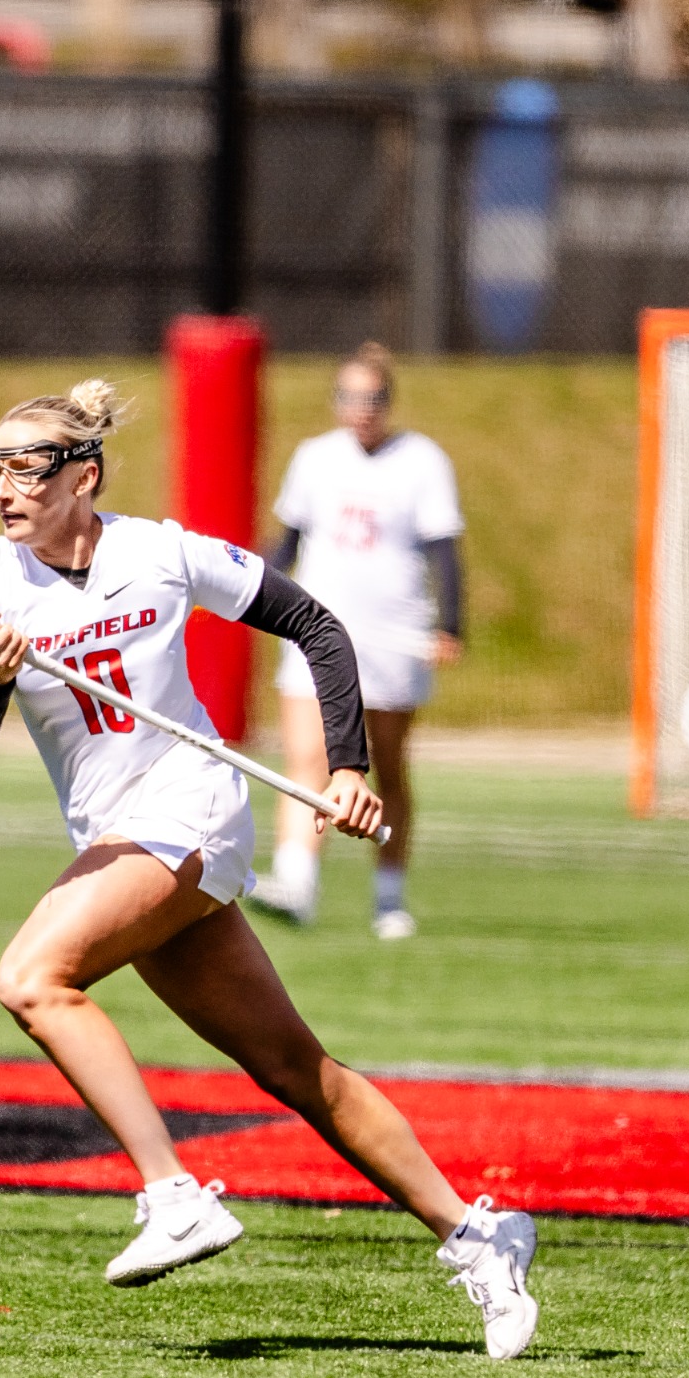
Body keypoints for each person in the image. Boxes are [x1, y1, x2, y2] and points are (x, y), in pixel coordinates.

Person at [0, 379, 539, 1358]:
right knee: (298, 1070)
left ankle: (172, 1193)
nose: (5, 487)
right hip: (120, 837)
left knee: (32, 978)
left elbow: (317, 626)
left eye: (28, 468)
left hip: (191, 813)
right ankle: (477, 1233)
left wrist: (347, 766)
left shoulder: (160, 552)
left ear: (84, 476)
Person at [250, 341, 463, 940]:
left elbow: (444, 548)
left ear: (389, 401)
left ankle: (388, 897)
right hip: (316, 631)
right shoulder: (314, 458)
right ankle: (296, 883)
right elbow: (287, 543)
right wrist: (246, 591)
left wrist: (451, 625)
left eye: (373, 398)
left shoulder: (422, 461)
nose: (362, 409)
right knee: (308, 758)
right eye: (350, 397)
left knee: (386, 766)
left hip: (394, 633)